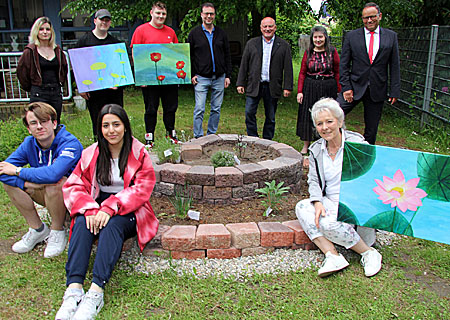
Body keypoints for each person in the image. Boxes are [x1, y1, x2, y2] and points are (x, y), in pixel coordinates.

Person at [55, 104, 158, 320]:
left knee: (112, 226)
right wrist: (91, 208)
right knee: (83, 222)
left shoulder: (138, 153)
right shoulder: (91, 153)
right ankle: (74, 289)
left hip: (131, 209)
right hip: (98, 204)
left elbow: (142, 189)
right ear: (100, 128)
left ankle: (95, 292)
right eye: (106, 125)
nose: (111, 130)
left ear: (125, 127)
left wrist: (111, 207)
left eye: (116, 125)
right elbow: (74, 185)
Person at [295, 98, 381, 278]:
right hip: (329, 201)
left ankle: (368, 253)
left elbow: (373, 176)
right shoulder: (316, 149)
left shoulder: (358, 145)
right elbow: (314, 181)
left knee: (325, 223)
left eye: (329, 121)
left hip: (353, 203)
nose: (325, 127)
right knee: (302, 207)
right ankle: (333, 255)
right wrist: (317, 202)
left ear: (340, 122)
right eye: (319, 124)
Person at [0, 102, 82, 258]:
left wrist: (19, 171)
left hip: (75, 197)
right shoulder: (28, 144)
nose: (39, 126)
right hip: (46, 193)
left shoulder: (70, 143)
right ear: (28, 128)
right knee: (8, 182)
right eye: (33, 123)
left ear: (54, 123)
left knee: (55, 183)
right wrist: (27, 183)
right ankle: (37, 229)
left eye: (43, 121)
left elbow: (53, 175)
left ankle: (57, 232)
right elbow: (3, 170)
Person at [337, 2, 400, 145]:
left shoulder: (391, 37)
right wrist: (346, 88)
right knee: (333, 114)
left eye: (372, 17)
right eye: (365, 18)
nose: (369, 21)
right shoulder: (352, 36)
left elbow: (395, 65)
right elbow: (344, 64)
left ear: (380, 16)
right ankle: (332, 146)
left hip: (377, 89)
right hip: (354, 86)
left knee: (371, 130)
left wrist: (394, 91)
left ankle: (366, 158)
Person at [130, 1, 179, 148]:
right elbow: (135, 54)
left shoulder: (171, 32)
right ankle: (149, 138)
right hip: (149, 78)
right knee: (151, 108)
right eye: (158, 13)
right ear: (151, 13)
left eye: (163, 14)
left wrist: (176, 76)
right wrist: (140, 76)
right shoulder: (141, 30)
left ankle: (171, 134)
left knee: (170, 107)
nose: (161, 16)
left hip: (168, 78)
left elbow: (176, 54)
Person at [236, 17, 293, 140]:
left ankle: (267, 141)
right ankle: (253, 138)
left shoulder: (283, 45)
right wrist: (240, 83)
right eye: (265, 27)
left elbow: (288, 67)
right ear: (261, 28)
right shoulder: (252, 44)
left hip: (272, 86)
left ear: (275, 28)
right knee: (249, 113)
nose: (268, 29)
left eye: (270, 26)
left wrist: (288, 86)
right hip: (254, 84)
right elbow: (244, 64)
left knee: (271, 117)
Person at [75, 9, 124, 140]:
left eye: (107, 20)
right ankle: (99, 146)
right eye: (102, 19)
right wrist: (81, 87)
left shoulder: (115, 43)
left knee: (116, 118)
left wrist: (119, 83)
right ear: (95, 21)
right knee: (97, 120)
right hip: (94, 92)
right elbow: (78, 66)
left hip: (113, 92)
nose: (104, 22)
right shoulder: (84, 42)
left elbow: (120, 68)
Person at [188, 2, 232, 138]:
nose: (209, 16)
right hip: (201, 77)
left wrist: (228, 75)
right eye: (206, 13)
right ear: (201, 15)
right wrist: (192, 74)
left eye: (211, 13)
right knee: (199, 108)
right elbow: (189, 56)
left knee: (216, 109)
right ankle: (198, 136)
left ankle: (211, 135)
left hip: (219, 77)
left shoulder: (221, 33)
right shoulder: (194, 34)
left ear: (214, 15)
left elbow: (227, 55)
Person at [297, 26, 341, 163]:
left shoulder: (332, 52)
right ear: (312, 39)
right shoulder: (308, 52)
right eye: (315, 37)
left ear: (325, 37)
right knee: (307, 115)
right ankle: (306, 145)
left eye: (320, 37)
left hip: (328, 86)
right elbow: (302, 72)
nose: (318, 40)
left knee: (326, 116)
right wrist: (300, 91)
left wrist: (340, 90)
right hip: (310, 86)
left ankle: (326, 143)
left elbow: (338, 71)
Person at [17, 17, 68, 124]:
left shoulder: (57, 50)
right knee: (40, 123)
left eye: (47, 29)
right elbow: (22, 72)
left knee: (54, 123)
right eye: (41, 29)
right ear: (36, 31)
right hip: (39, 93)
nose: (45, 32)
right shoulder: (30, 51)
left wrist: (60, 84)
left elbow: (64, 68)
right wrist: (32, 87)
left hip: (55, 92)